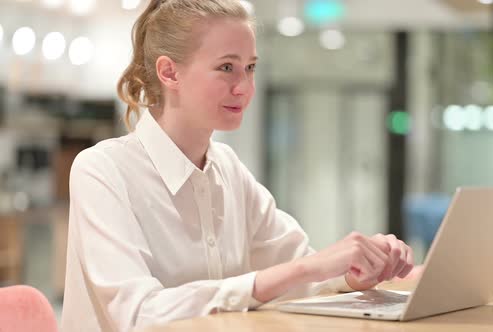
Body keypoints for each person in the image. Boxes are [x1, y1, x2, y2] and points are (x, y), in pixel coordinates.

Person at [61, 0, 415, 331]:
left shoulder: (227, 168)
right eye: (227, 68)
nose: (244, 87)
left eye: (250, 68)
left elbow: (302, 275)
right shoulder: (101, 170)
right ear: (169, 72)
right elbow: (137, 314)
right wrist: (300, 270)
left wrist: (355, 271)